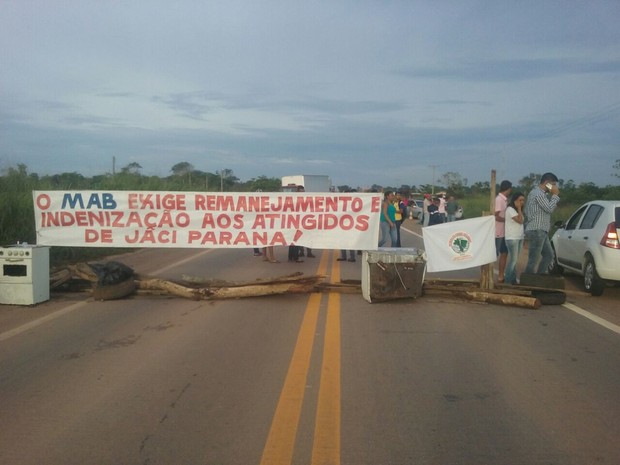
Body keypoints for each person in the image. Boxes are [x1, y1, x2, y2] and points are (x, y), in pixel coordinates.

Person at [524, 172, 560, 274]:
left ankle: (539, 277)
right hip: (537, 229)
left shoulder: (537, 193)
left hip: (540, 230)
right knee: (534, 259)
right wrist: (555, 195)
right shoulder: (538, 194)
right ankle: (528, 280)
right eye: (553, 184)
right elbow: (549, 208)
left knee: (549, 255)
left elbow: (526, 210)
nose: (554, 187)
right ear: (547, 183)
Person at [504, 192, 525, 285]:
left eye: (523, 200)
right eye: (520, 200)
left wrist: (519, 209)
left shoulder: (516, 210)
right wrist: (520, 208)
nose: (522, 202)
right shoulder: (510, 209)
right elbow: (520, 221)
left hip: (519, 237)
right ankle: (508, 281)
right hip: (512, 238)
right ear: (515, 200)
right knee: (513, 260)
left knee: (515, 260)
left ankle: (512, 280)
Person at [494, 180, 512, 283]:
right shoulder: (499, 199)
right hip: (497, 231)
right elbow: (495, 215)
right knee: (494, 254)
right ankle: (488, 274)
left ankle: (501, 276)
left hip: (503, 231)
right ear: (508, 189)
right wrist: (506, 220)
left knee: (504, 253)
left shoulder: (504, 200)